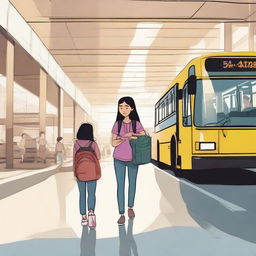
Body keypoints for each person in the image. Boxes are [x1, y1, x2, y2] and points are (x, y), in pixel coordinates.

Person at [111, 96, 145, 225]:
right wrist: (125, 137)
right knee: (120, 185)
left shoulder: (136, 124)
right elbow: (113, 143)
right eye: (121, 107)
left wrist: (132, 135)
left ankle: (130, 207)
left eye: (126, 107)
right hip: (118, 158)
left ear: (132, 108)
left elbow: (143, 136)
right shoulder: (117, 124)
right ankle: (121, 213)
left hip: (133, 158)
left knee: (132, 183)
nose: (123, 109)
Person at [73, 123, 101, 226]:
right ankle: (91, 213)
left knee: (82, 195)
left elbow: (74, 160)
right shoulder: (93, 144)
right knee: (91, 194)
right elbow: (98, 156)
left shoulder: (77, 144)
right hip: (92, 173)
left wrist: (74, 172)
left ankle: (83, 218)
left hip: (80, 173)